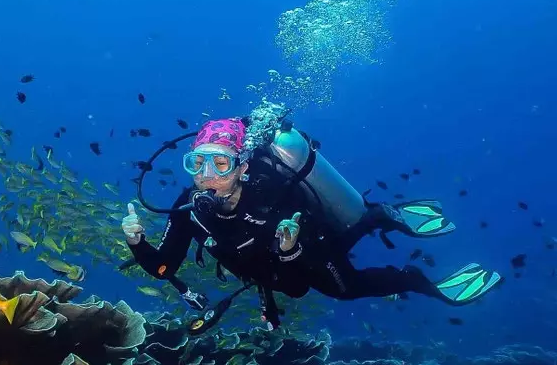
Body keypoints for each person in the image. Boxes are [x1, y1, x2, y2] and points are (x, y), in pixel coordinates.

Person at [121, 113, 502, 330]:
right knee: (309, 278)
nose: (207, 175)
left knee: (344, 287)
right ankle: (378, 216)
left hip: (310, 250)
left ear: (243, 165)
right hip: (276, 273)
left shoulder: (270, 192)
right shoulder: (190, 207)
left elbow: (299, 266)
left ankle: (420, 278)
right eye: (196, 163)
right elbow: (163, 266)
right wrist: (137, 241)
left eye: (220, 162)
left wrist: (289, 249)